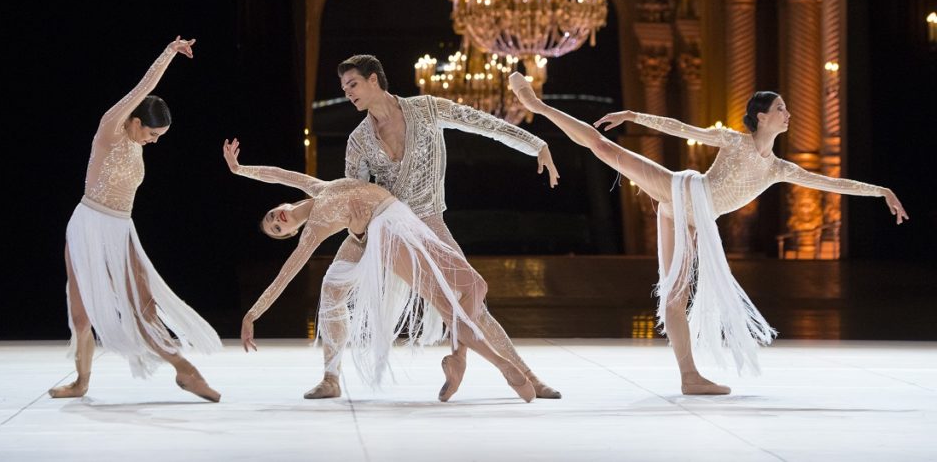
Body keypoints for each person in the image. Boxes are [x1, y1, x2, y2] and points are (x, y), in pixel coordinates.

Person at [508, 75, 908, 394]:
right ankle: (537, 105)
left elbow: (827, 182)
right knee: (605, 148)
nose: (789, 113)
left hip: (691, 218)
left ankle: (689, 377)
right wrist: (634, 115)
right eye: (781, 108)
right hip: (681, 190)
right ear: (761, 116)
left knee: (675, 295)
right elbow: (684, 128)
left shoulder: (778, 168)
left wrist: (881, 191)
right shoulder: (735, 141)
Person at [306, 55, 562, 402]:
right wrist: (355, 232)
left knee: (471, 300)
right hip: (380, 226)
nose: (348, 93)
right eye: (344, 88)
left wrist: (535, 144)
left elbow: (482, 122)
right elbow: (354, 195)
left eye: (352, 85)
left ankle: (526, 376)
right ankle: (331, 377)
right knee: (332, 288)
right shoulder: (358, 140)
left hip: (428, 222)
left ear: (373, 80)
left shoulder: (426, 109)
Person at [223, 139, 537, 403]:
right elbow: (284, 276)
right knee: (445, 304)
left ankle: (458, 358)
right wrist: (252, 314)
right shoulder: (312, 231)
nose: (278, 220)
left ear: (280, 205)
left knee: (474, 285)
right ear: (290, 233)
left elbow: (278, 174)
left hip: (403, 217)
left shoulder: (316, 187)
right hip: (387, 233)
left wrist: (239, 170)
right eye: (278, 229)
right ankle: (504, 366)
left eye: (272, 217)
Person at [48, 37, 222, 402]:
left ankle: (184, 371)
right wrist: (168, 54)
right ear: (137, 121)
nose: (155, 141)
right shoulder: (110, 130)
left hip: (121, 228)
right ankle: (81, 382)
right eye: (153, 133)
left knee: (144, 307)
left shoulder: (136, 145)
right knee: (81, 316)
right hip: (89, 224)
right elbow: (143, 88)